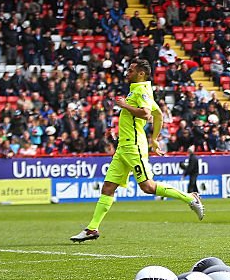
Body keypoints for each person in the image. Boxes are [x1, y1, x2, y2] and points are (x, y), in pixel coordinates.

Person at [70, 59, 204, 242]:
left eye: (131, 70)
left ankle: (190, 198)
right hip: (123, 147)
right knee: (108, 186)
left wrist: (125, 105)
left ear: (141, 73)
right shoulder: (140, 90)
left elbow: (147, 114)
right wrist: (155, 139)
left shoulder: (141, 90)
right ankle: (92, 229)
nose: (127, 72)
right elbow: (158, 115)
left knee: (148, 186)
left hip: (133, 146)